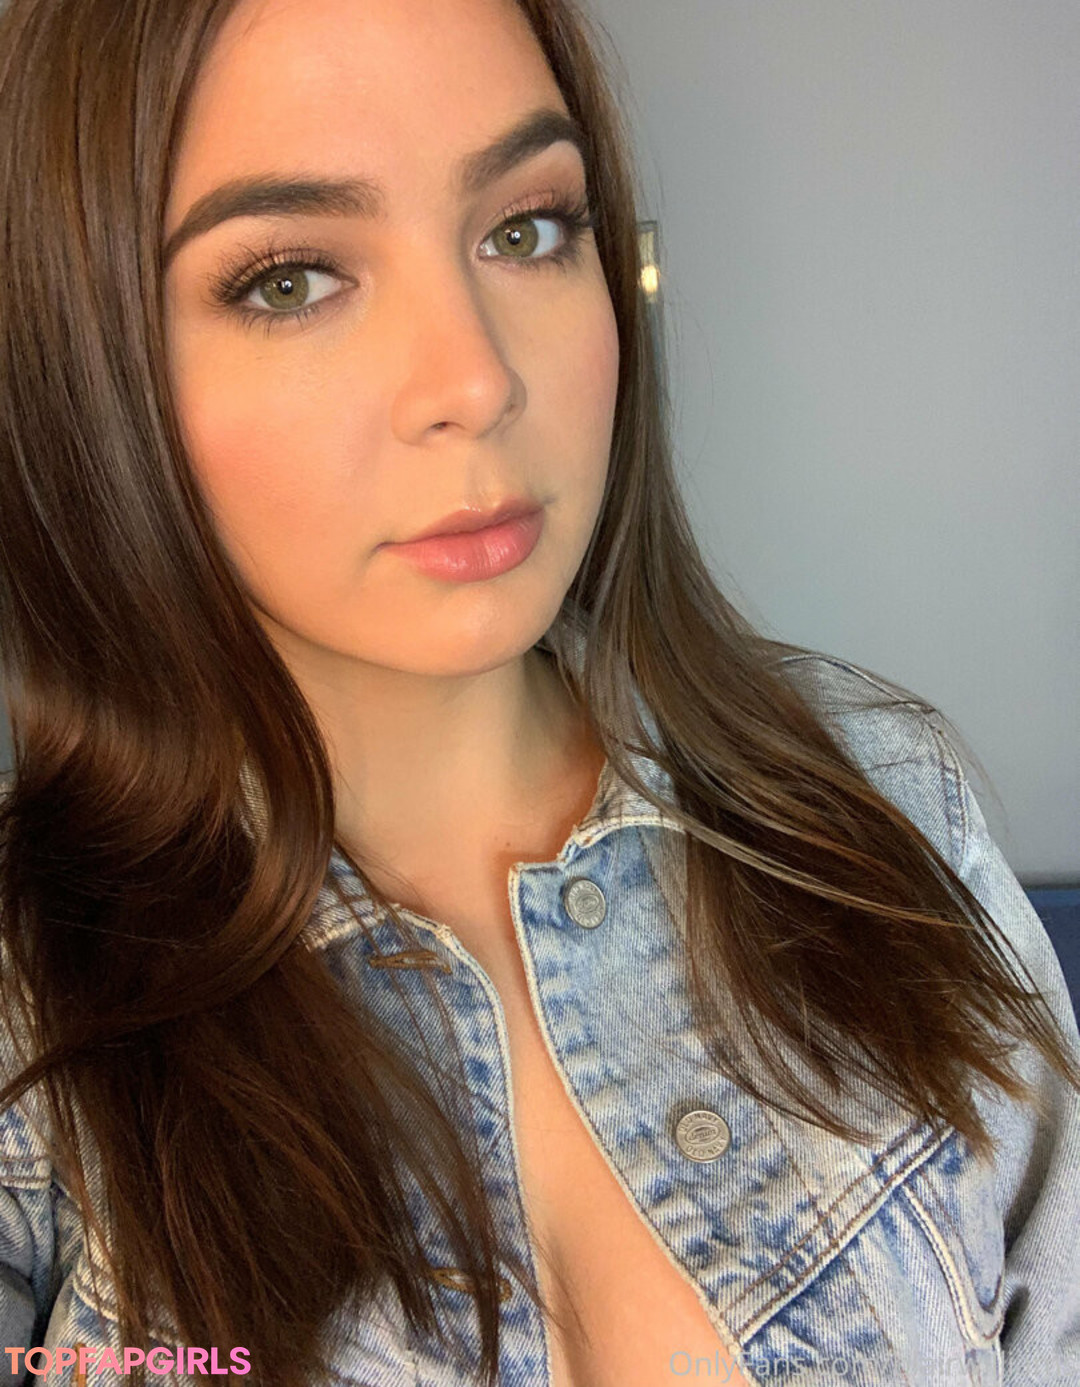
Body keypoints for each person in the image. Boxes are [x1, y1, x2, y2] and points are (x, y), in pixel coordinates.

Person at [0, 0, 1076, 1384]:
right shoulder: (34, 1020)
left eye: (525, 230)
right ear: (84, 362)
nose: (476, 378)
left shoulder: (889, 807)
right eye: (288, 279)